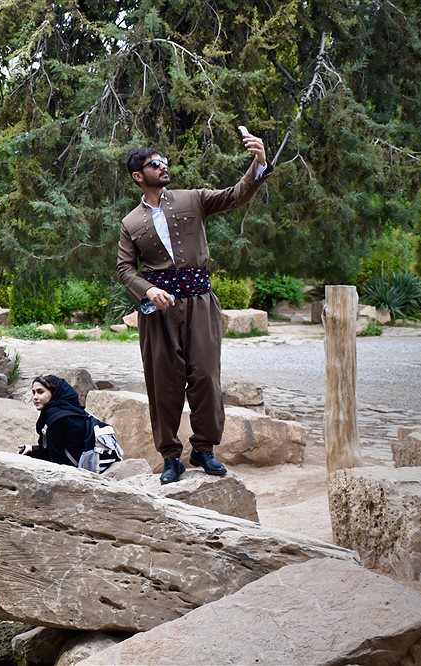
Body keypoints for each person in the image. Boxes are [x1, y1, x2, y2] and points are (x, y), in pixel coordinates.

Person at [116, 132, 273, 484]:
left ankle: (204, 449)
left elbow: (236, 195)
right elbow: (124, 268)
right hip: (159, 313)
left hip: (200, 303)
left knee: (205, 377)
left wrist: (259, 163)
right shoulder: (130, 223)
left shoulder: (193, 199)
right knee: (163, 384)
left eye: (164, 162)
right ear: (138, 176)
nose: (163, 167)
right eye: (155, 164)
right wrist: (148, 290)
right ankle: (171, 457)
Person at [20, 375, 92, 468]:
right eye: (34, 393)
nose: (35, 397)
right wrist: (32, 449)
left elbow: (55, 460)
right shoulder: (71, 409)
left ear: (54, 392)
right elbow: (62, 448)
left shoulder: (56, 417)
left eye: (40, 392)